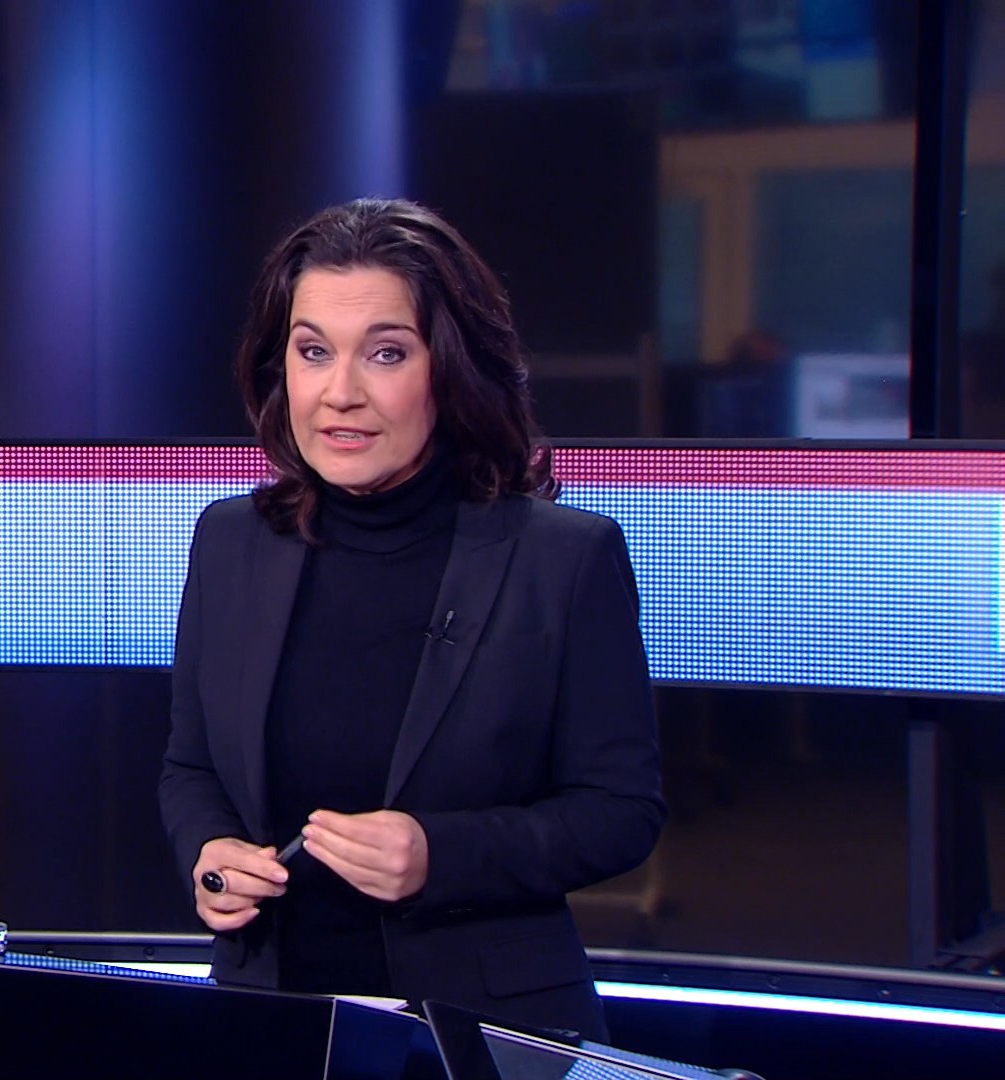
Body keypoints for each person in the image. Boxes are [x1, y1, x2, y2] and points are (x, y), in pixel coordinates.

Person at [159, 198, 663, 1040]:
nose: (340, 393)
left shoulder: (563, 559)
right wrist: (209, 854)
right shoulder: (231, 541)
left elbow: (620, 811)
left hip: (484, 1030)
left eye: (386, 353)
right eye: (313, 351)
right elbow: (191, 766)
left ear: (450, 369)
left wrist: (440, 855)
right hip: (268, 1018)